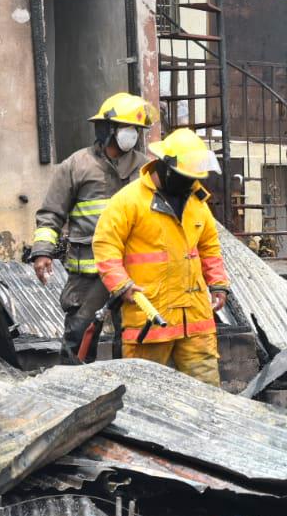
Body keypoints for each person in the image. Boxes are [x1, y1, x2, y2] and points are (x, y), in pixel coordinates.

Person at [92, 128, 231, 385]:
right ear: (165, 167)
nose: (190, 183)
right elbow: (105, 244)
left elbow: (209, 247)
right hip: (150, 317)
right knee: (145, 392)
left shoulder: (197, 202)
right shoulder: (129, 200)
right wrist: (121, 285)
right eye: (185, 176)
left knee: (207, 393)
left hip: (195, 319)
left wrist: (219, 285)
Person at [30, 92, 156, 361]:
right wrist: (42, 251)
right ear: (107, 129)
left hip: (133, 269)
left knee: (134, 337)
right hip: (90, 272)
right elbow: (51, 213)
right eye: (127, 128)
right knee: (80, 333)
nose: (132, 135)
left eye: (136, 129)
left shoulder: (146, 169)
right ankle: (74, 383)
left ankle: (128, 384)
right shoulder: (76, 166)